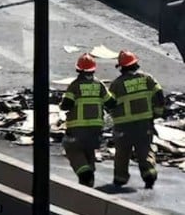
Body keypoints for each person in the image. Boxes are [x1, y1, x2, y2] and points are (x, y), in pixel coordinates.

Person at [106, 50, 166, 189]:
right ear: (135, 64)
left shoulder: (117, 84)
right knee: (145, 150)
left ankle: (120, 179)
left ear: (121, 67)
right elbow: (159, 96)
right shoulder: (147, 79)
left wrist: (114, 117)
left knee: (122, 153)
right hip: (143, 124)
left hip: (123, 127)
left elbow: (109, 103)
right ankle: (149, 174)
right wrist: (157, 114)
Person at [59, 53, 114, 187]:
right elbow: (111, 103)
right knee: (88, 151)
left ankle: (84, 174)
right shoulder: (99, 85)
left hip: (77, 128)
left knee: (72, 148)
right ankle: (88, 182)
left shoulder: (75, 86)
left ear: (78, 70)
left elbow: (66, 105)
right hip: (96, 129)